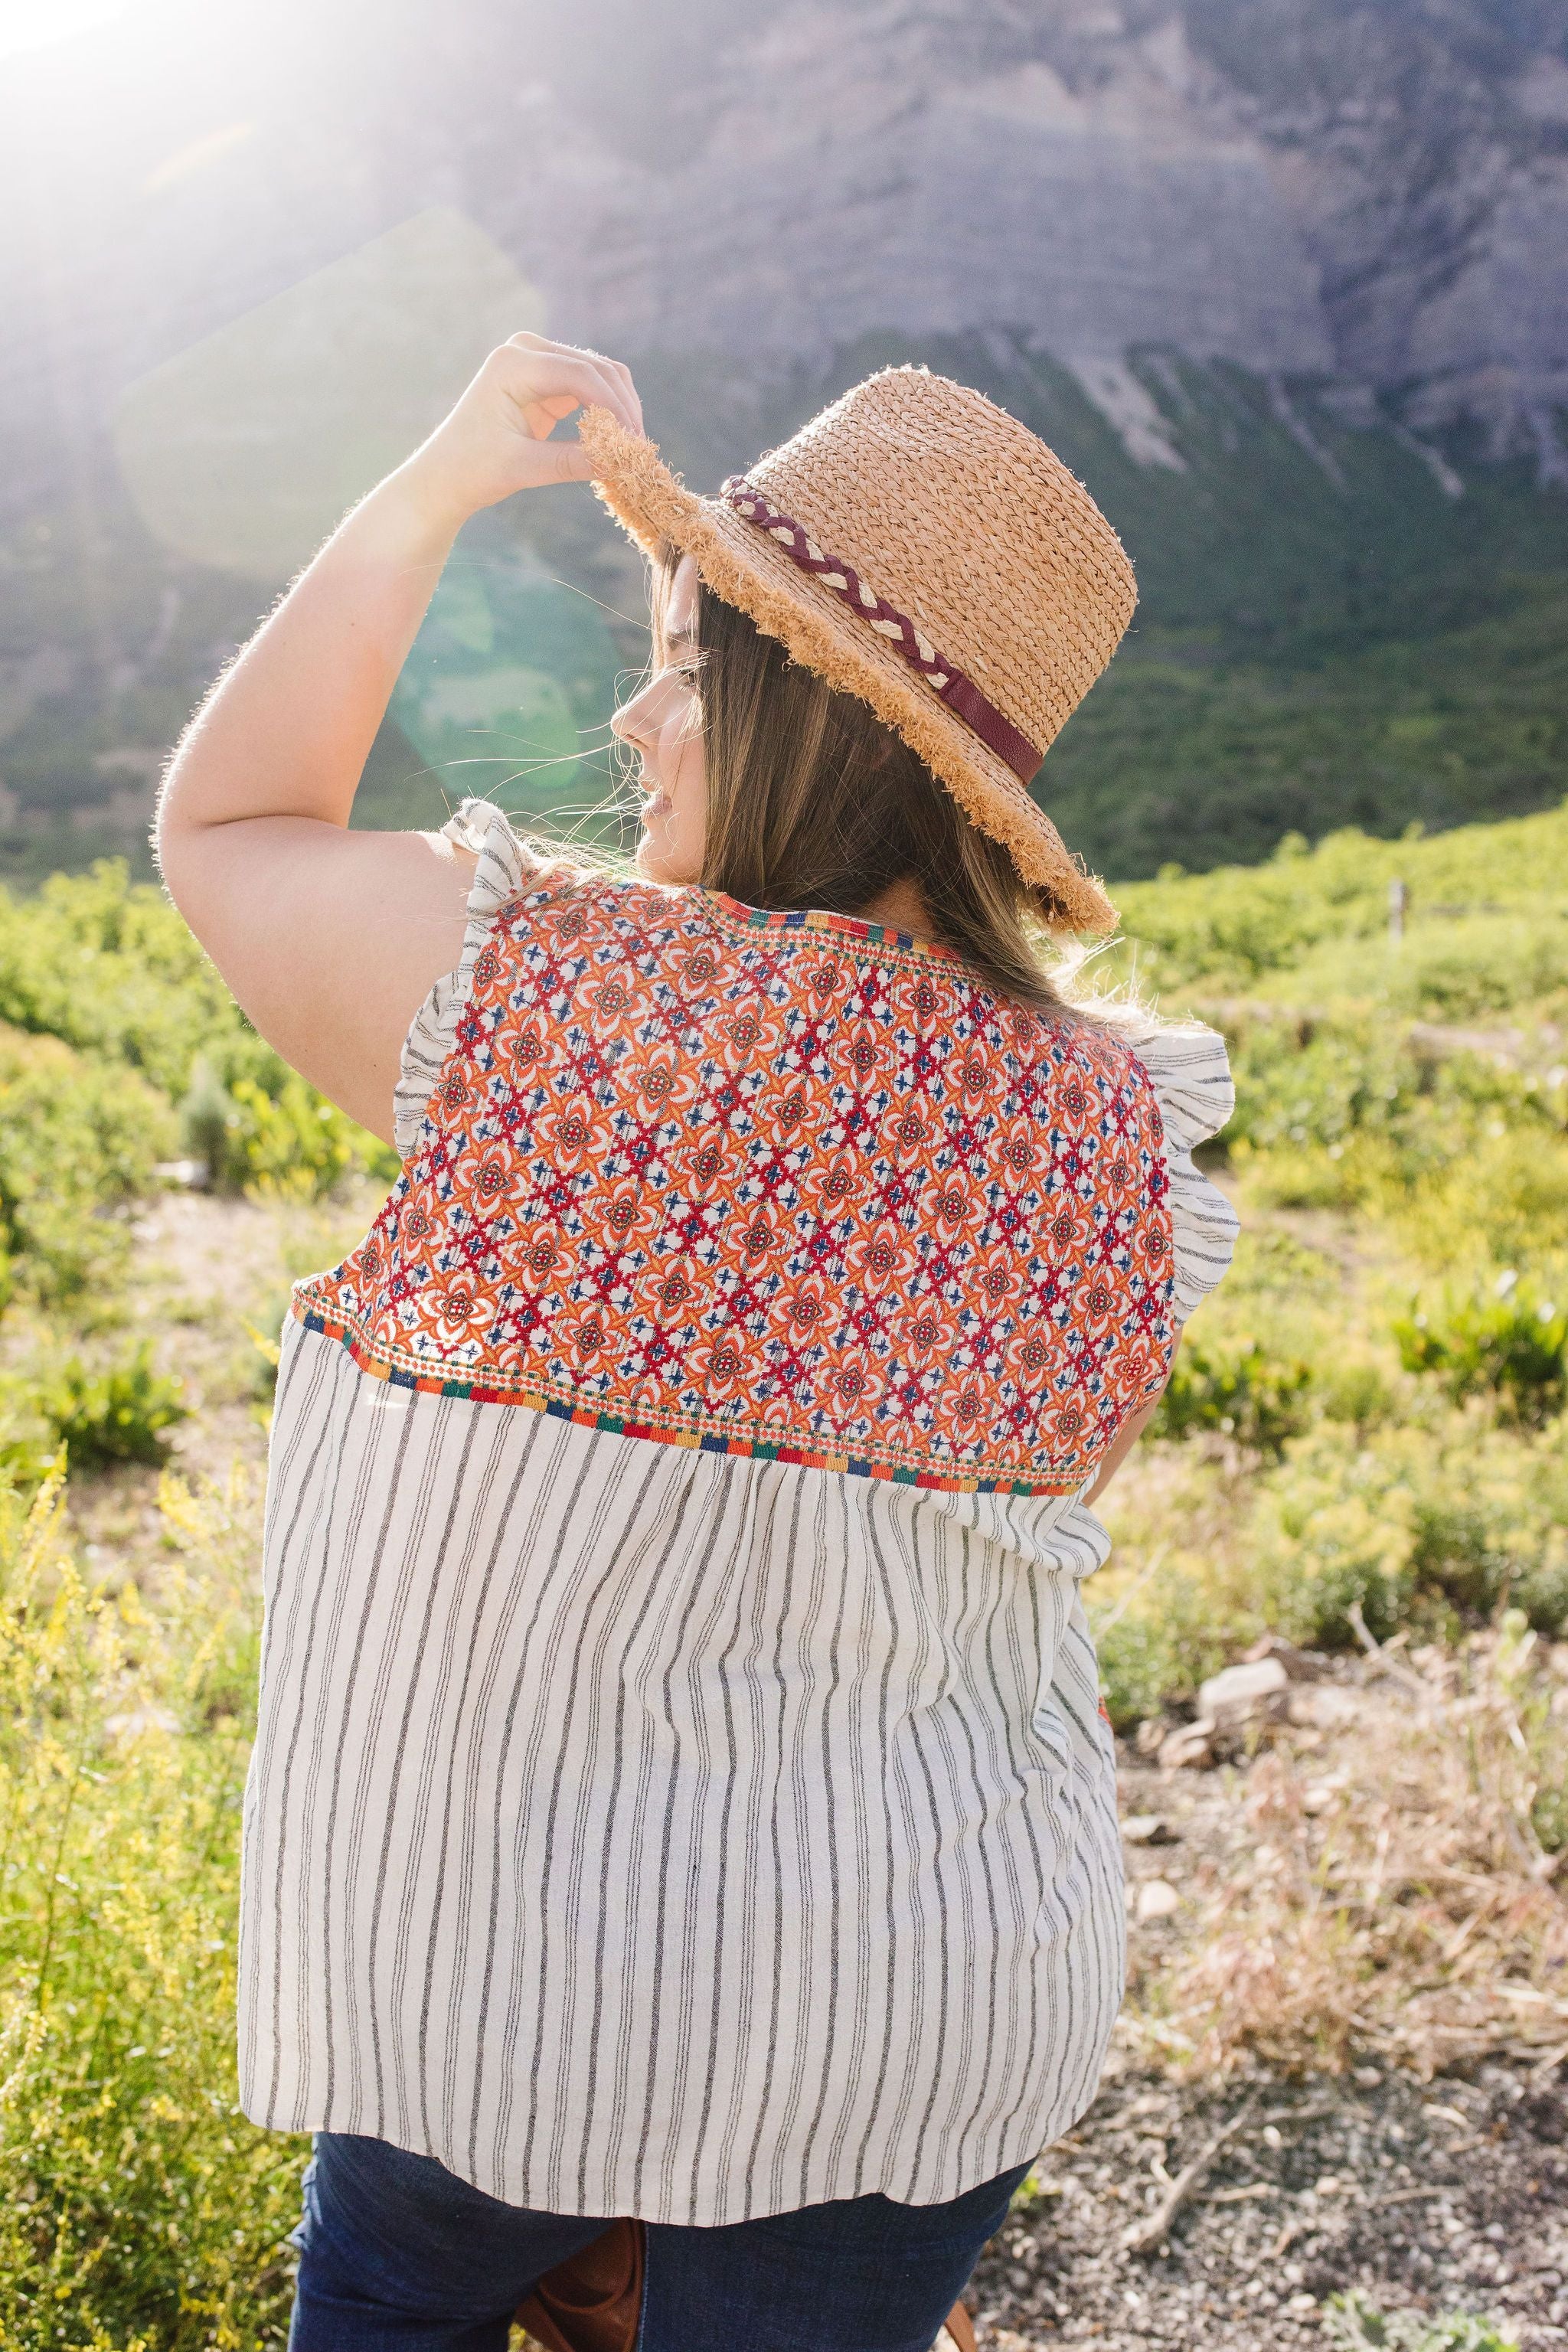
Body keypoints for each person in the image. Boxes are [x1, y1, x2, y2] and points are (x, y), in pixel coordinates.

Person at [156, 333, 1238, 2352]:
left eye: (682, 662)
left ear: (802, 715)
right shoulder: (1133, 1136)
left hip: (498, 1993)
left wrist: (431, 484)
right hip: (917, 2010)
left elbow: (227, 825)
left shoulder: (529, 997)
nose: (636, 718)